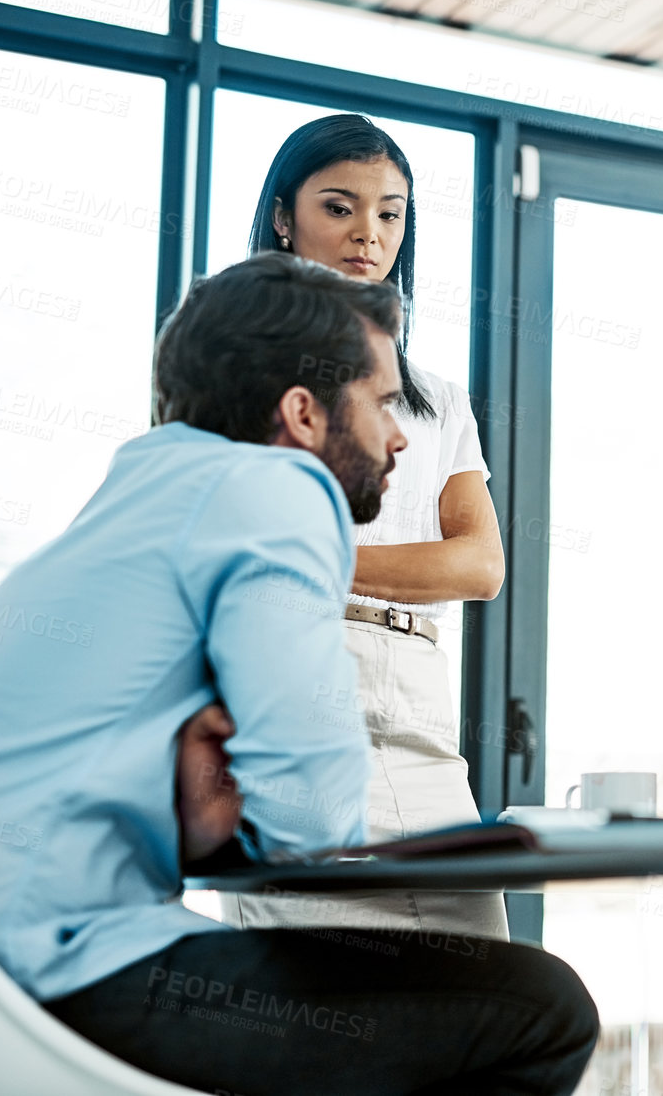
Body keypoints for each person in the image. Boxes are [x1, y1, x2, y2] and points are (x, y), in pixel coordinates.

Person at [0, 253, 597, 1095]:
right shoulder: (278, 489)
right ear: (303, 412)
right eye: (384, 402)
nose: (398, 436)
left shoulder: (141, 492)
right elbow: (312, 815)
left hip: (20, 973)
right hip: (76, 968)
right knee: (544, 1005)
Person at [222, 114, 509, 941]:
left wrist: (315, 556)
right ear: (284, 214)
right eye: (340, 207)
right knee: (314, 997)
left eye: (390, 213)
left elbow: (480, 565)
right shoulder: (234, 370)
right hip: (298, 687)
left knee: (476, 972)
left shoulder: (434, 397)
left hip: (418, 709)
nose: (368, 234)